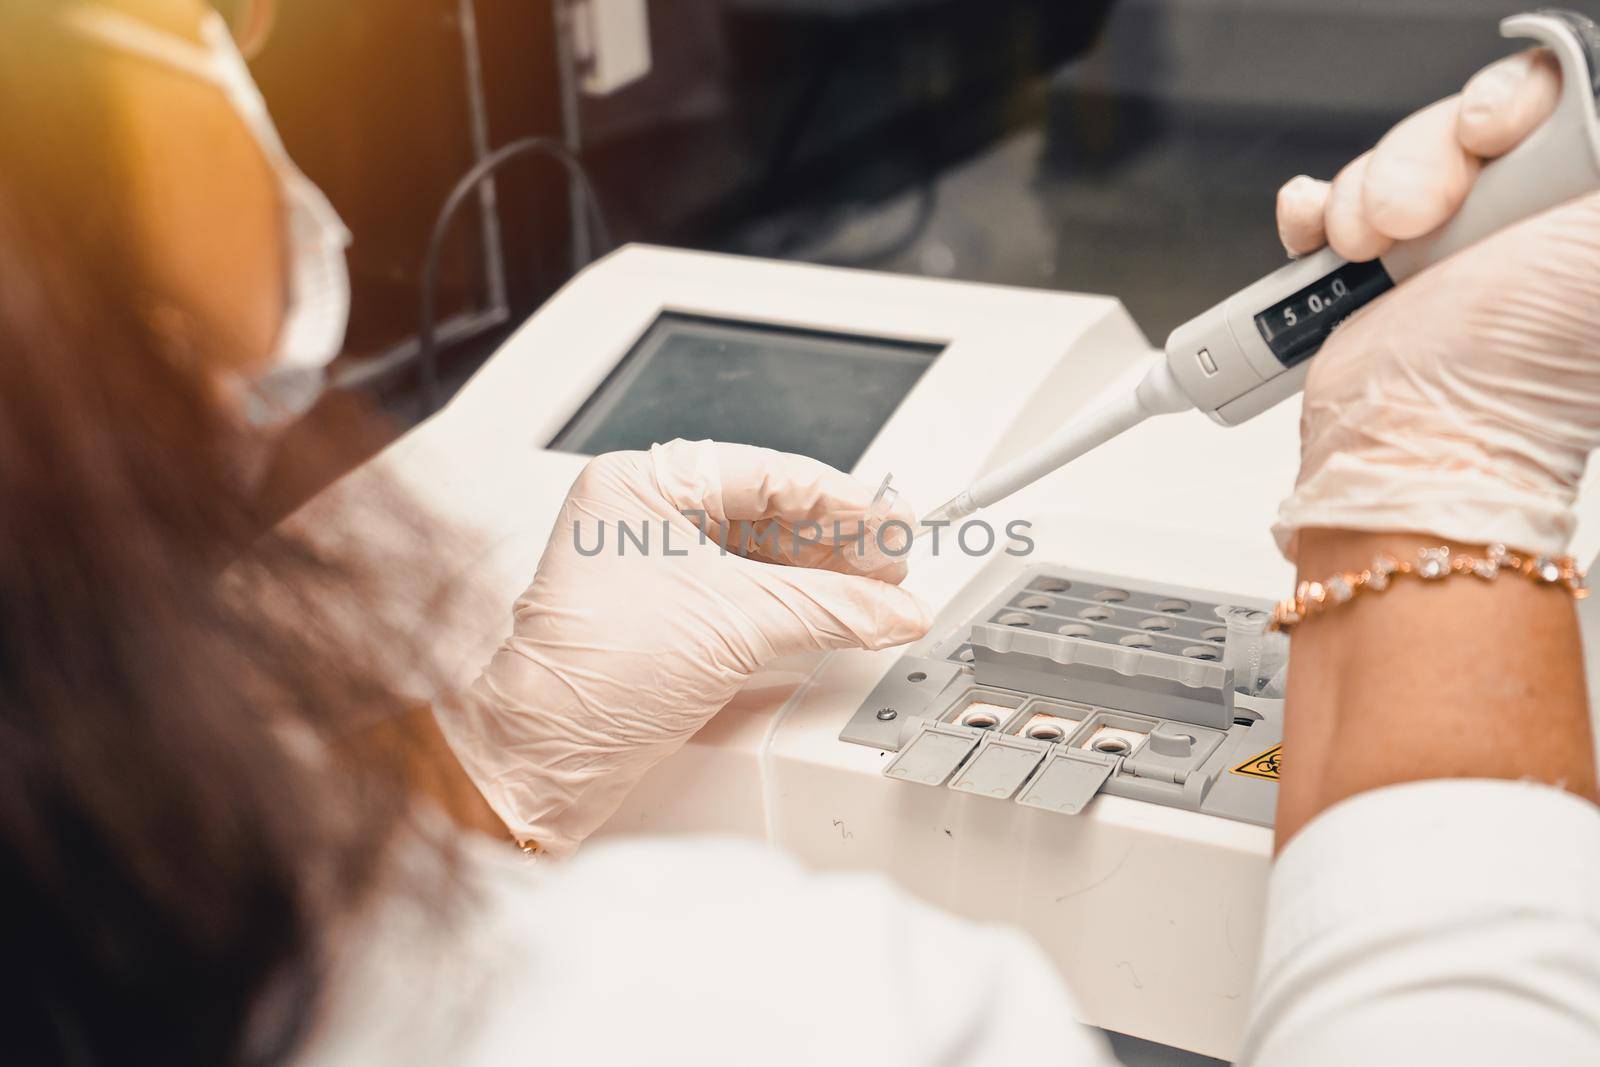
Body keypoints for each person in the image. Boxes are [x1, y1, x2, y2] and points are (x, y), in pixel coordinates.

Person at [2, 3, 1599, 1065]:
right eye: (197, 15)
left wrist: (478, 769)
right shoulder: (772, 1017)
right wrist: (1432, 482)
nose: (257, 32)